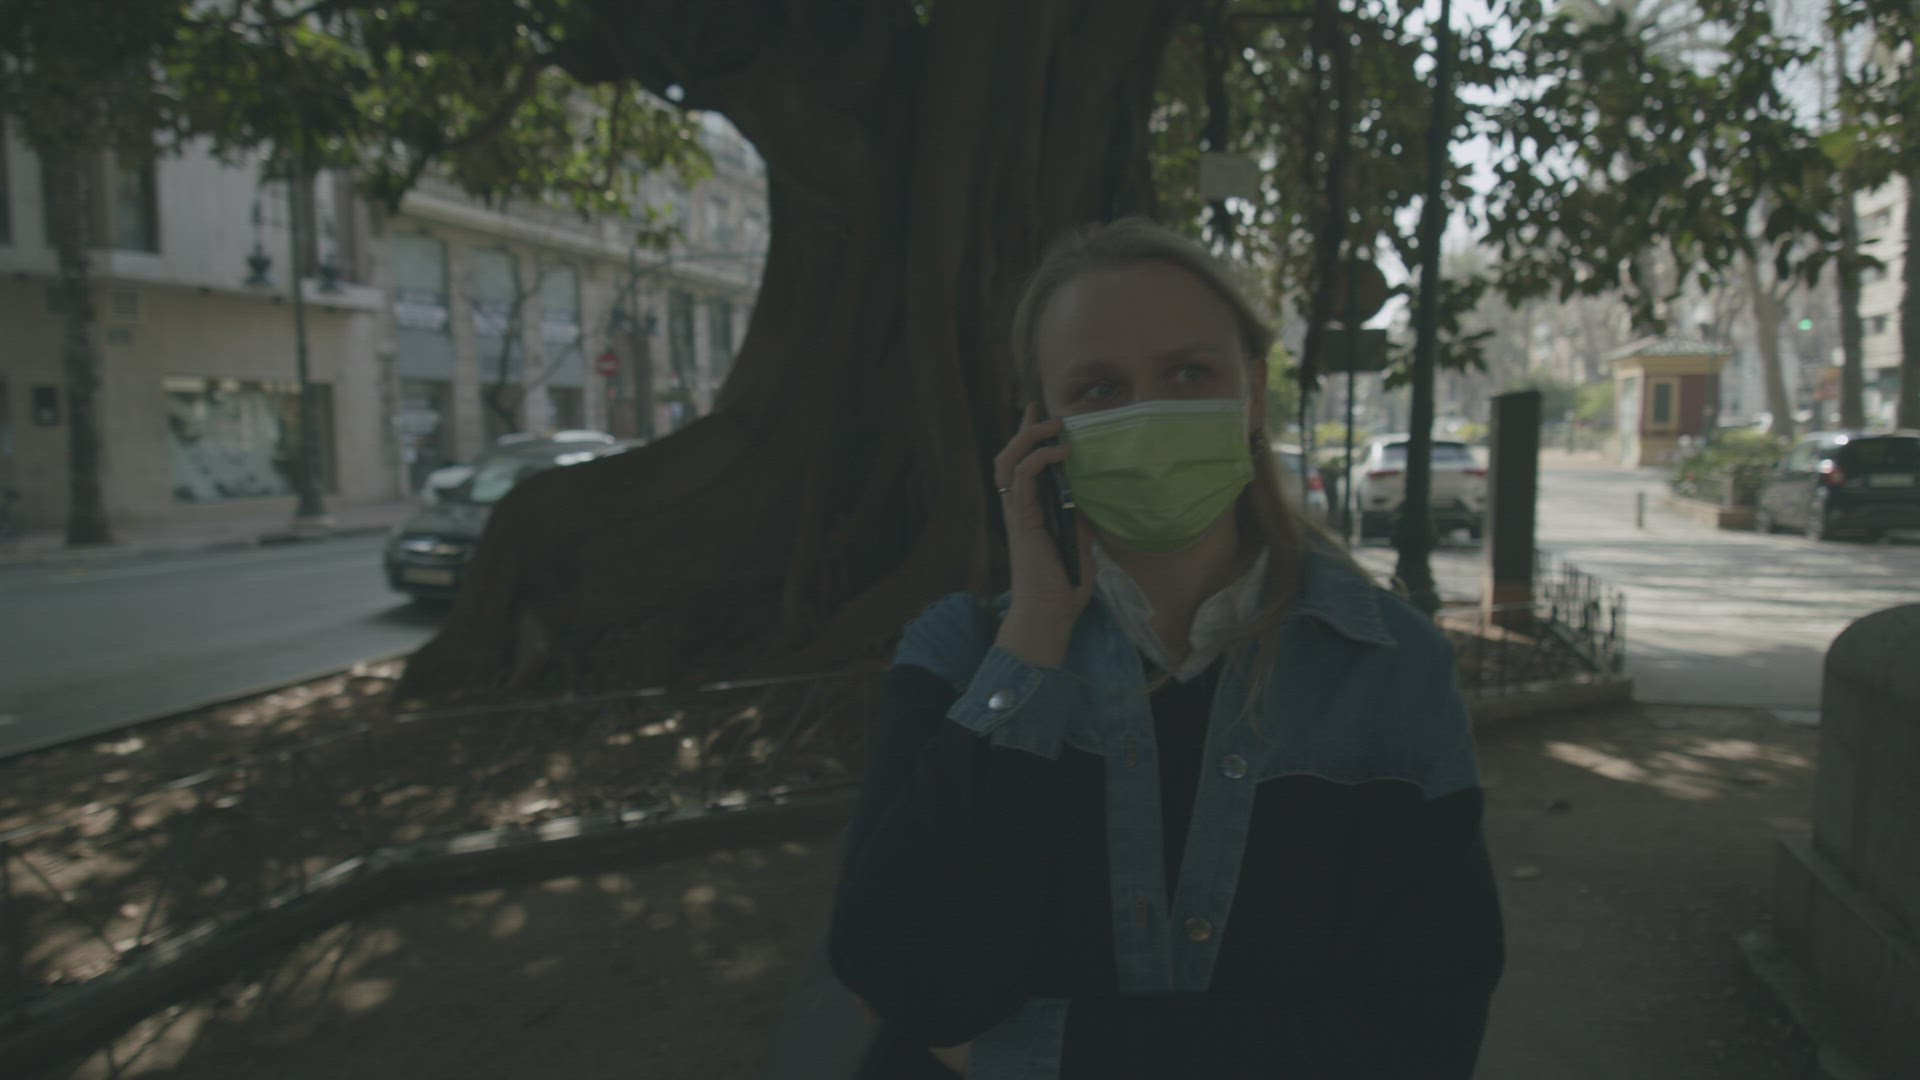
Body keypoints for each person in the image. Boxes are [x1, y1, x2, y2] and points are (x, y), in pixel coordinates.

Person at [827, 217, 1504, 1079]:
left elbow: (1419, 1039)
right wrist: (1034, 629)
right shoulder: (962, 655)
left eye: (1190, 372)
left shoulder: (1392, 668)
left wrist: (1024, 1055)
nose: (1150, 415)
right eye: (1100, 388)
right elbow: (902, 977)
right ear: (1039, 429)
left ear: (1252, 395)